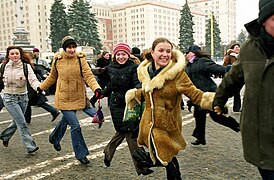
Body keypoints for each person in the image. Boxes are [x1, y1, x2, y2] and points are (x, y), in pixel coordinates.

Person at [125, 37, 219, 180]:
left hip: (167, 124)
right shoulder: (145, 71)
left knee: (165, 156)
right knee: (166, 159)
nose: (165, 54)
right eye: (161, 50)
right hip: (148, 122)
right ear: (152, 52)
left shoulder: (177, 74)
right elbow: (147, 93)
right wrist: (135, 95)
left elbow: (195, 94)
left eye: (168, 51)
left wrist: (214, 102)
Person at [213, 0, 274, 179]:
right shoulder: (249, 48)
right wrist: (218, 102)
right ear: (263, 20)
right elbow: (233, 78)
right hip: (258, 136)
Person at [38, 36, 102, 165]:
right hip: (63, 97)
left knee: (66, 120)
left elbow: (88, 75)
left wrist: (96, 88)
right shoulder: (57, 59)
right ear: (64, 48)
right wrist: (41, 87)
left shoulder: (80, 59)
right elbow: (52, 77)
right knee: (75, 125)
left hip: (77, 95)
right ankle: (81, 154)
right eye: (69, 47)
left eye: (74, 47)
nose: (72, 50)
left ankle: (55, 137)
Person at [97, 42, 153, 176]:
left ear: (128, 55)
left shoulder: (134, 68)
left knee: (124, 132)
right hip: (116, 105)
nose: (121, 57)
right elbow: (111, 85)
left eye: (124, 54)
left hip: (131, 104)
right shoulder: (111, 68)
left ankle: (108, 151)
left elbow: (137, 82)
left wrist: (140, 90)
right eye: (118, 54)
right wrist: (100, 94)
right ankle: (141, 167)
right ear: (114, 56)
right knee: (130, 134)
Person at [184, 45, 240, 145]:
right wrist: (191, 100)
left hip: (210, 94)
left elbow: (217, 69)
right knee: (199, 115)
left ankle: (239, 127)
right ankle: (200, 138)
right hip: (199, 96)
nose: (186, 54)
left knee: (217, 116)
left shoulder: (202, 61)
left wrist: (234, 69)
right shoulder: (188, 65)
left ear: (193, 53)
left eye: (187, 52)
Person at [0, 46, 40, 154]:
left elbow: (33, 80)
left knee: (17, 120)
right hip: (9, 98)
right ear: (8, 55)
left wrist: (39, 88)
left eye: (16, 53)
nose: (14, 56)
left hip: (23, 98)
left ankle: (4, 136)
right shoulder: (3, 67)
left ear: (20, 55)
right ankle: (30, 146)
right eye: (12, 54)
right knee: (22, 122)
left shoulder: (26, 67)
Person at [24, 54, 60, 124]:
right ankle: (53, 111)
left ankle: (27, 120)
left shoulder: (28, 66)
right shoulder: (30, 65)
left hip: (32, 87)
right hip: (32, 87)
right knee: (36, 102)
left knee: (32, 102)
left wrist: (44, 75)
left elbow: (40, 70)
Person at [222, 43, 242, 112]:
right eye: (236, 47)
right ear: (232, 49)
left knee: (237, 92)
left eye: (239, 47)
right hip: (231, 76)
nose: (238, 48)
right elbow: (224, 66)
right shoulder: (229, 56)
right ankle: (220, 105)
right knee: (227, 92)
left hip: (238, 77)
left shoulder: (240, 56)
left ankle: (237, 108)